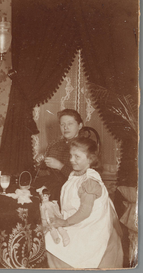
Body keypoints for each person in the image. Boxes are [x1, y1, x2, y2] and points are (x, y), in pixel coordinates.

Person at [45, 137, 123, 268]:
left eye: (77, 157)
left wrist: (65, 222)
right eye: (71, 155)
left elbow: (85, 212)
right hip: (76, 221)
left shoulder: (90, 181)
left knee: (54, 244)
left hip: (90, 226)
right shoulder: (75, 174)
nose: (71, 160)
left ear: (90, 159)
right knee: (47, 234)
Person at [33, 109, 83, 201]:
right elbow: (43, 171)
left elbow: (82, 178)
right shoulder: (54, 144)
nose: (66, 127)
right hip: (51, 184)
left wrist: (60, 166)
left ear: (80, 126)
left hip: (71, 188)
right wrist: (39, 162)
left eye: (70, 124)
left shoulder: (84, 147)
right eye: (62, 124)